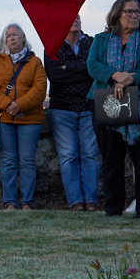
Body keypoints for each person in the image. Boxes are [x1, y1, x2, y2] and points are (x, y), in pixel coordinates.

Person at [87, 0, 140, 220]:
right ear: (117, 15)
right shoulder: (101, 39)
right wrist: (114, 75)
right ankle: (112, 209)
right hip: (106, 101)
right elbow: (93, 65)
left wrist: (130, 79)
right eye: (129, 12)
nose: (134, 16)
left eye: (137, 12)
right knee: (111, 159)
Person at [0, 23, 47, 211]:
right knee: (8, 161)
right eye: (8, 35)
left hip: (30, 118)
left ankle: (27, 202)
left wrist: (20, 105)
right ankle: (10, 201)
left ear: (23, 37)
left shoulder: (35, 62)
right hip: (4, 118)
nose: (11, 38)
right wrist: (9, 106)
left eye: (15, 35)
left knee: (27, 161)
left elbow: (40, 89)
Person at [45, 14, 100, 211]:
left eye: (77, 17)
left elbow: (96, 69)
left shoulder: (93, 44)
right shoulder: (52, 46)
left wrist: (69, 66)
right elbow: (55, 75)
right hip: (62, 108)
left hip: (89, 106)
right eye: (70, 17)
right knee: (68, 156)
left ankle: (91, 200)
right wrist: (83, 71)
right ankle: (75, 202)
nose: (75, 20)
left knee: (91, 155)